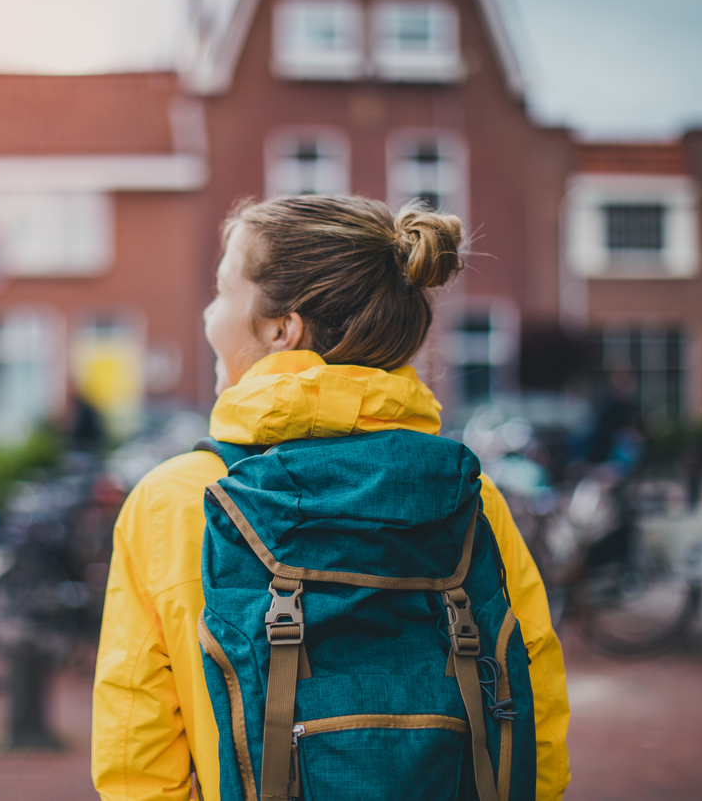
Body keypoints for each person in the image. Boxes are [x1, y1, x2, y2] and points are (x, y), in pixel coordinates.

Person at [92, 195, 571, 800]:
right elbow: (536, 719)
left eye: (221, 292)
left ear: (280, 329)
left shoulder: (179, 499)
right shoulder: (470, 499)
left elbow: (138, 763)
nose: (209, 315)